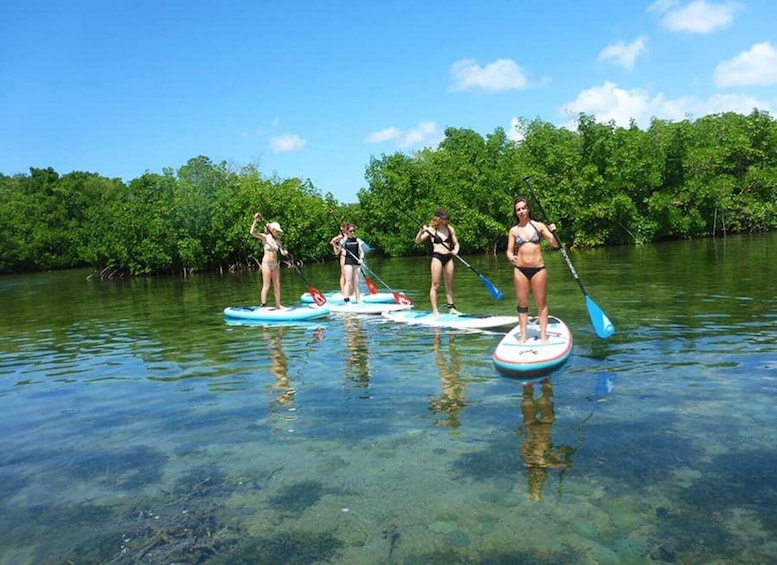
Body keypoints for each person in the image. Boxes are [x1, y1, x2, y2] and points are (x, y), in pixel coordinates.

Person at [506, 197, 559, 342]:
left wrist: (554, 231)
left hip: (538, 270)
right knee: (522, 304)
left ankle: (543, 334)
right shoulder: (514, 230)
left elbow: (555, 244)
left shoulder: (539, 226)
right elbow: (509, 251)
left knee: (541, 302)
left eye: (524, 208)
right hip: (520, 270)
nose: (522, 211)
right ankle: (523, 335)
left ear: (528, 209)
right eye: (518, 209)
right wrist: (511, 257)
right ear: (516, 212)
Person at [414, 209, 460, 315]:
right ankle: (435, 310)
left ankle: (451, 308)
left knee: (449, 285)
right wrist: (421, 231)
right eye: (445, 218)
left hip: (448, 257)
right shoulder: (431, 230)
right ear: (438, 218)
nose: (447, 220)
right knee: (435, 285)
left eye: (447, 218)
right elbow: (418, 241)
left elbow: (456, 243)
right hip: (437, 257)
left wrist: (455, 251)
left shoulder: (450, 229)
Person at [250, 213, 288, 308]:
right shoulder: (265, 237)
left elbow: (282, 251)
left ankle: (278, 305)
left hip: (275, 264)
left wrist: (284, 252)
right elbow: (252, 232)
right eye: (276, 231)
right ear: (272, 230)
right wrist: (256, 221)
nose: (278, 232)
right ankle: (263, 305)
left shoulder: (278, 240)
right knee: (266, 285)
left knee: (277, 284)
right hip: (266, 263)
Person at [340, 223, 364, 304]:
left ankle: (358, 300)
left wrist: (361, 258)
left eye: (354, 231)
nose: (353, 232)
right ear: (347, 231)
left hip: (356, 263)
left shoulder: (357, 240)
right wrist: (340, 245)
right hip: (348, 263)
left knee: (357, 282)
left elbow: (362, 252)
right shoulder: (343, 241)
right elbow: (338, 251)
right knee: (349, 281)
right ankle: (347, 300)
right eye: (351, 231)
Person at [329, 222, 348, 293]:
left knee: (350, 275)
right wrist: (338, 248)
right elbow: (332, 242)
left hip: (350, 257)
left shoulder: (349, 236)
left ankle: (350, 290)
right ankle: (343, 291)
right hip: (343, 256)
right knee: (343, 274)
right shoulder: (340, 236)